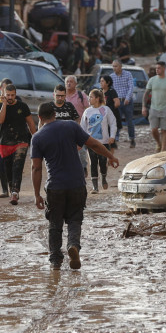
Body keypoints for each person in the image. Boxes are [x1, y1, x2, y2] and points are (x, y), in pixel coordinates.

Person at [30, 102, 119, 270]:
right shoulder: (71, 126)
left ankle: (55, 261)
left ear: (40, 118)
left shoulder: (38, 137)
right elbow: (93, 144)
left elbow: (36, 168)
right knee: (75, 219)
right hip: (77, 184)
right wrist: (110, 157)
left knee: (55, 224)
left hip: (55, 186)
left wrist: (36, 195)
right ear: (55, 114)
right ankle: (73, 246)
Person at [0, 84, 36, 205]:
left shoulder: (22, 106)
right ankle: (12, 189)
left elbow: (30, 123)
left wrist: (37, 138)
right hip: (4, 142)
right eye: (8, 95)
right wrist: (4, 105)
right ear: (4, 94)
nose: (10, 97)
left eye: (12, 95)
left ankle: (14, 193)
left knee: (18, 166)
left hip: (21, 141)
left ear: (16, 94)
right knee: (8, 169)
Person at [79, 89, 117, 192]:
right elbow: (82, 127)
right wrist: (82, 140)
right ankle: (95, 187)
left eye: (91, 97)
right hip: (91, 142)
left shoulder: (106, 110)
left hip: (104, 142)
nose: (89, 99)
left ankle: (104, 177)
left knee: (103, 162)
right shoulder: (87, 111)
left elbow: (113, 123)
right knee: (93, 163)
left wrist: (112, 136)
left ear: (97, 98)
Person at [142, 61, 166, 153]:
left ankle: (163, 149)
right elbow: (146, 93)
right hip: (154, 107)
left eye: (159, 68)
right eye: (156, 68)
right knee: (154, 129)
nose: (157, 70)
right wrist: (144, 107)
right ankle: (158, 143)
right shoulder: (152, 80)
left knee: (164, 130)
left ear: (164, 68)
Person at [64, 75, 90, 176]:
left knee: (81, 148)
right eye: (67, 82)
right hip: (65, 126)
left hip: (79, 125)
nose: (69, 83)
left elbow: (88, 109)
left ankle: (83, 167)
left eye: (71, 82)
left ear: (75, 84)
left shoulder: (81, 95)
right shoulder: (62, 96)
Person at [111, 59, 136, 148]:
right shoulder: (112, 77)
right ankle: (115, 140)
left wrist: (128, 98)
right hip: (117, 102)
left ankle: (132, 139)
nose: (114, 68)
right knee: (116, 121)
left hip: (127, 101)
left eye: (116, 66)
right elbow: (111, 90)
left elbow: (131, 87)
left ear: (121, 66)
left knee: (130, 121)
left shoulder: (128, 74)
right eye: (113, 66)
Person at [100, 74, 122, 142]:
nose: (101, 83)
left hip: (112, 115)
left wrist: (109, 111)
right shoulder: (99, 92)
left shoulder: (112, 91)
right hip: (102, 117)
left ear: (108, 82)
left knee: (112, 137)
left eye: (103, 81)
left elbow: (117, 103)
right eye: (100, 81)